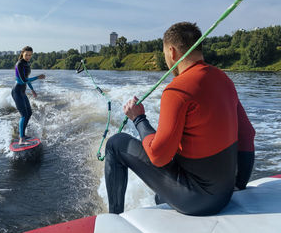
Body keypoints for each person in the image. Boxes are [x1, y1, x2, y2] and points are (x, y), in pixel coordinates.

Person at [105, 22, 255, 216]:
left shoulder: (177, 89)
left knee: (116, 143)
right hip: (225, 195)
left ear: (172, 52)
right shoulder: (224, 80)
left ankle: (114, 219)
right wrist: (238, 185)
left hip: (197, 201)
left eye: (165, 55)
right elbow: (247, 135)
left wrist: (139, 118)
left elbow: (158, 156)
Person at [12, 46, 45, 145]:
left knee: (29, 113)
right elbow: (23, 80)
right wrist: (37, 77)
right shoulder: (19, 64)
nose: (28, 57)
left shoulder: (27, 64)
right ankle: (21, 139)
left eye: (30, 55)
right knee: (24, 115)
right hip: (17, 91)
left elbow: (27, 78)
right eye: (26, 55)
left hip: (22, 91)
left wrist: (32, 90)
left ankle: (23, 135)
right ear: (22, 53)